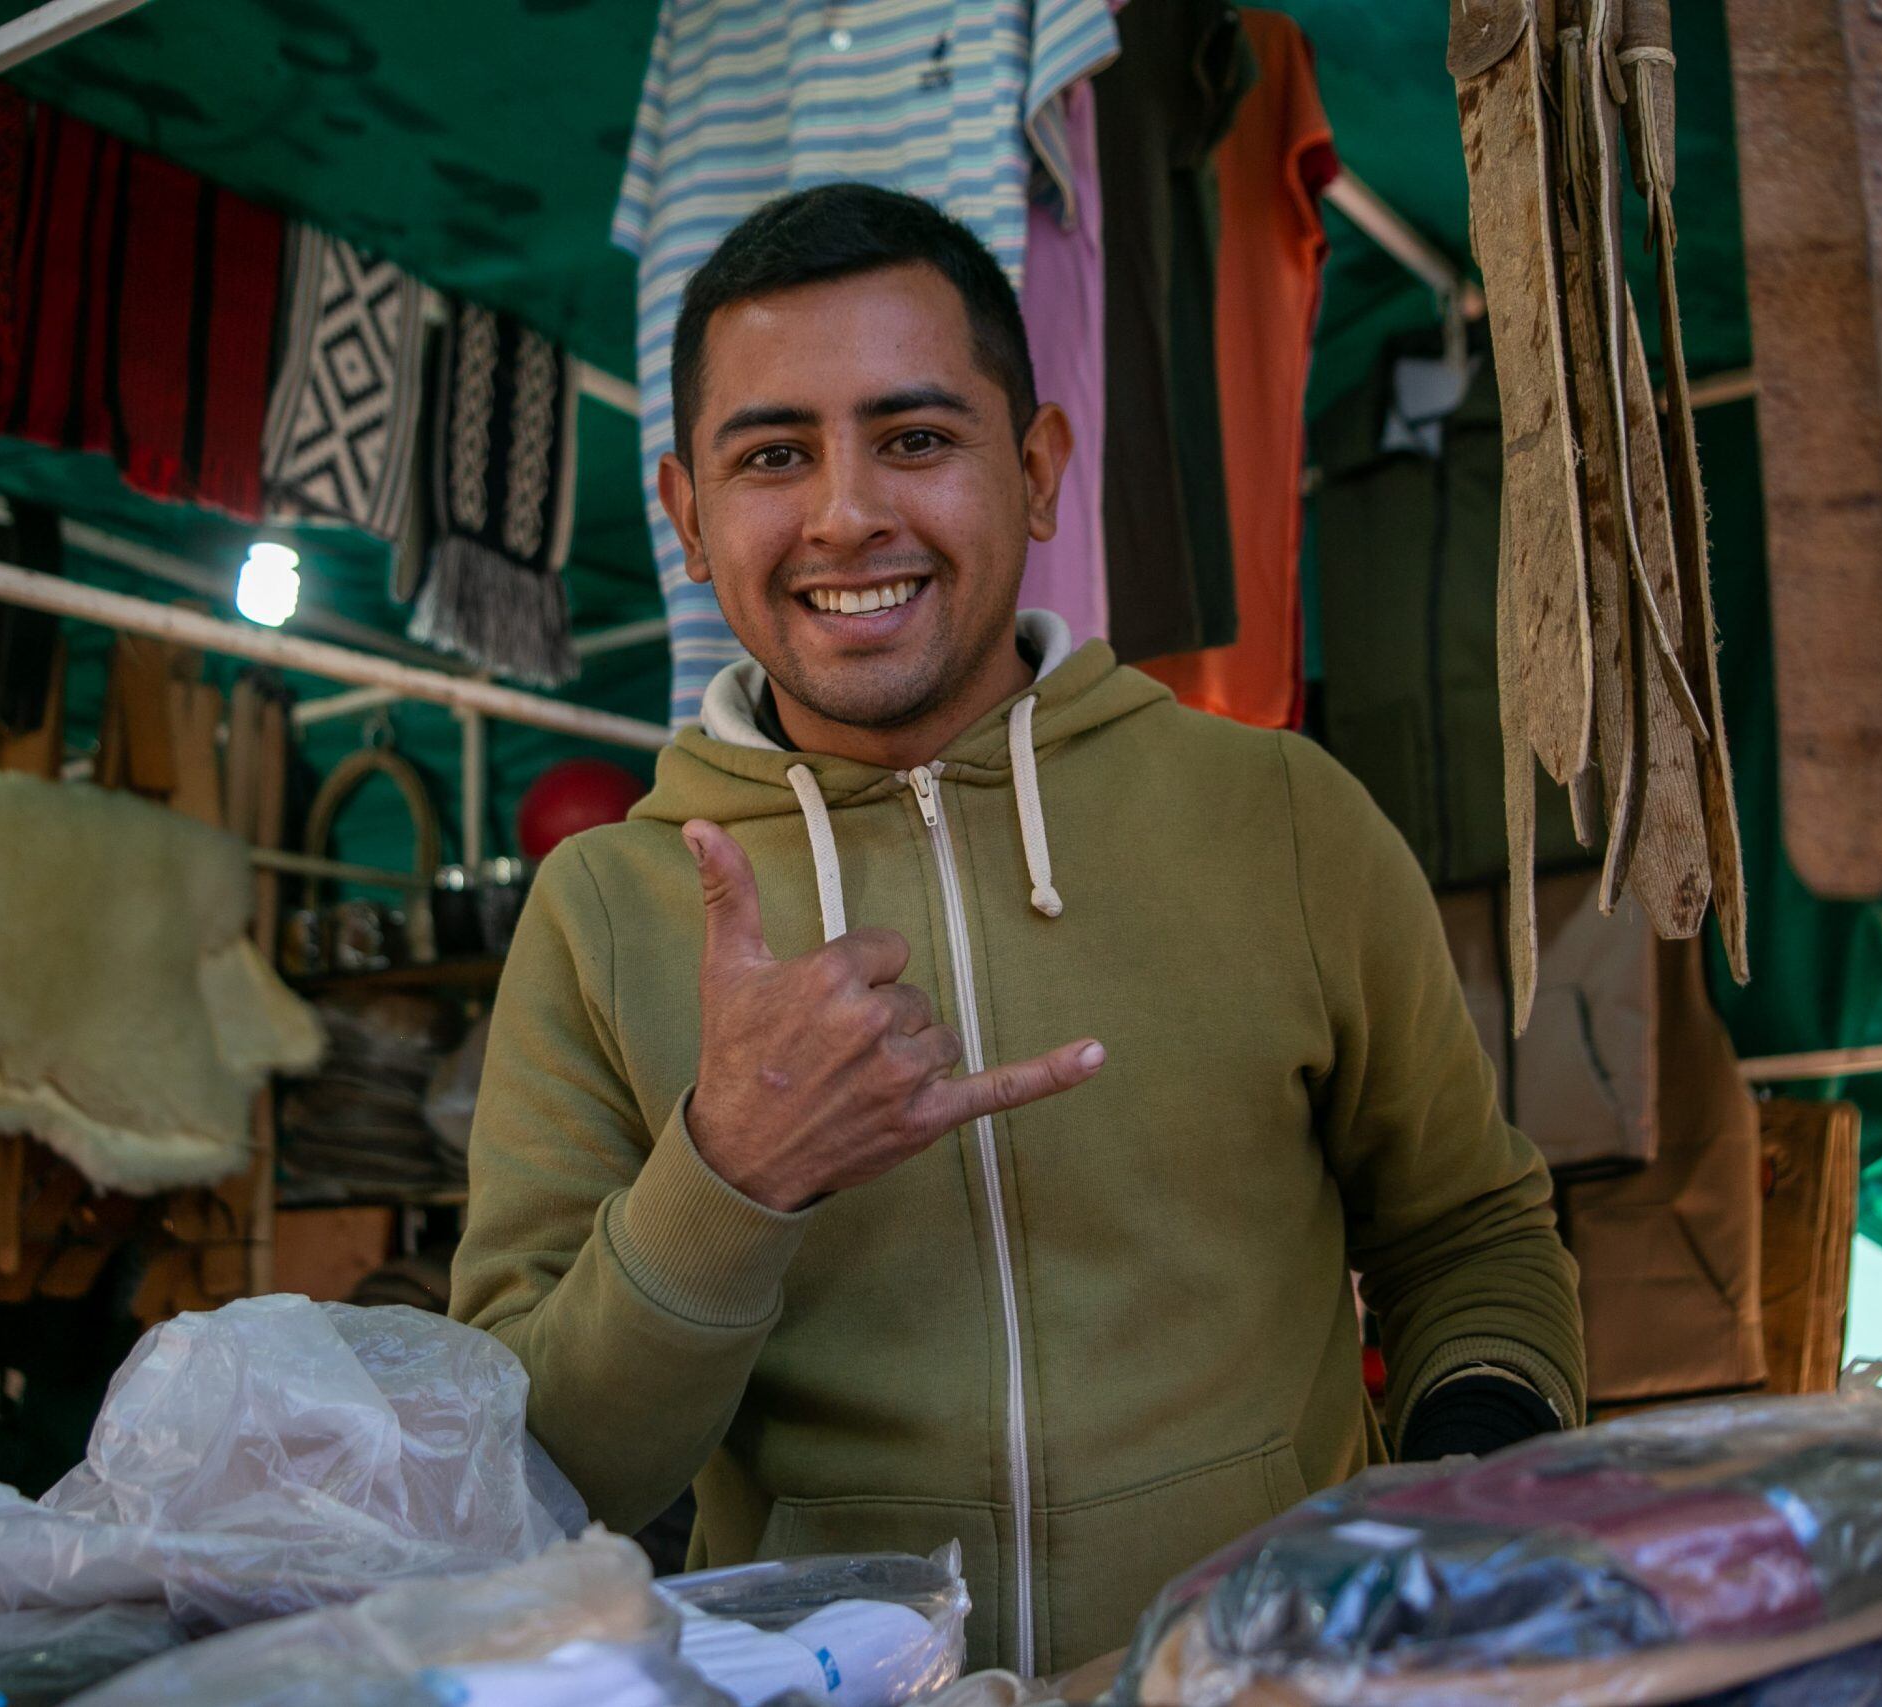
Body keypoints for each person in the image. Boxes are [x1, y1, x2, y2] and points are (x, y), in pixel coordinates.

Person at [451, 183, 1585, 1676]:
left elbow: (1473, 1236)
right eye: (774, 455)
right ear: (685, 513)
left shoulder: (1284, 815)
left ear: (1039, 470)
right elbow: (541, 1481)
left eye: (917, 439)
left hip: (1278, 1687)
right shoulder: (602, 911)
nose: (848, 512)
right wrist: (727, 1178)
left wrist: (1460, 1494)